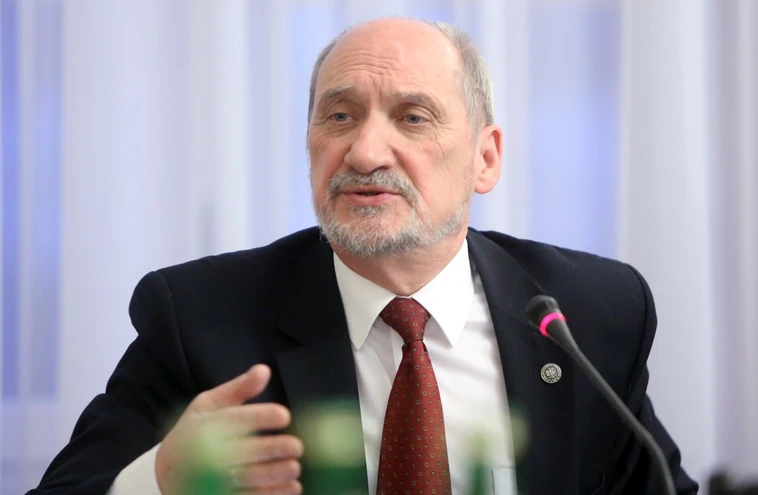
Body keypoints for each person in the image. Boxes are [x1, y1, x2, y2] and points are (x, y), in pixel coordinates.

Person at [28, 17, 698, 495]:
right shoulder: (200, 318)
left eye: (412, 117)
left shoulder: (589, 312)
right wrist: (157, 480)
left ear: (485, 158)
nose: (366, 152)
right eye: (340, 116)